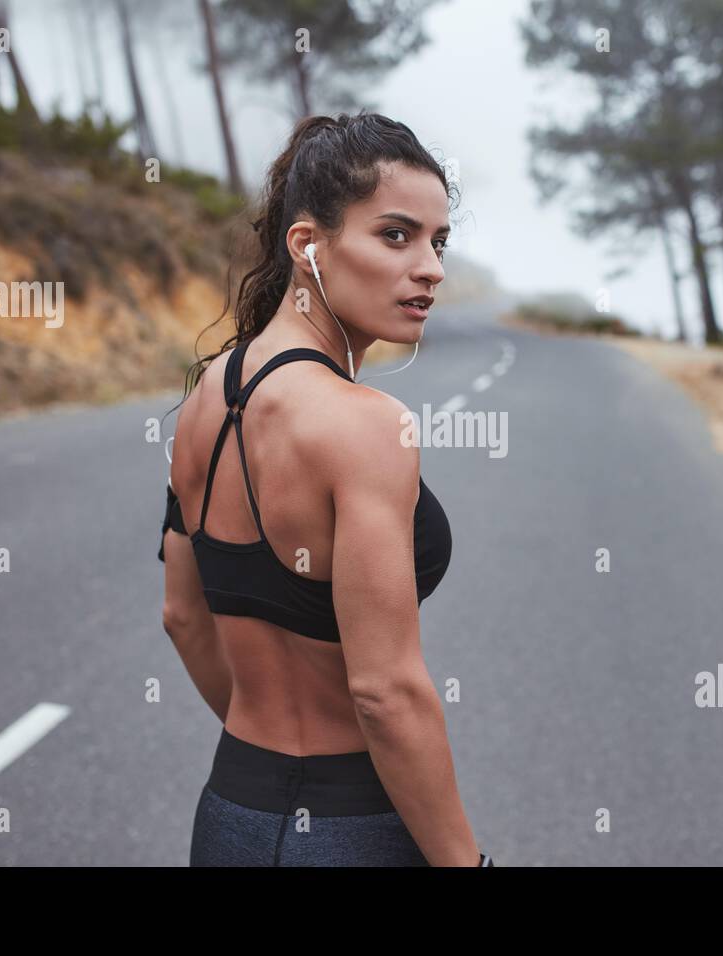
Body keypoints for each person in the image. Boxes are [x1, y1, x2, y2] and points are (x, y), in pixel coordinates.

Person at [157, 111, 490, 867]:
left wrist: (271, 767)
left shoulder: (207, 394)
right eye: (396, 235)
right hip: (353, 831)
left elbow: (182, 617)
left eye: (438, 242)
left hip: (231, 818)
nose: (431, 267)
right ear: (308, 244)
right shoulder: (368, 426)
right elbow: (384, 693)